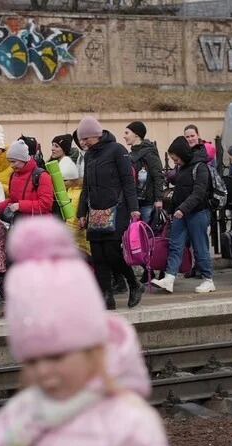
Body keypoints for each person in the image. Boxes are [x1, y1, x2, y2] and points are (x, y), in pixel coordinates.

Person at [0, 216, 177, 446]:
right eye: (33, 361)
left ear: (90, 349)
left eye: (58, 356)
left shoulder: (127, 424)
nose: (45, 370)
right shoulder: (15, 421)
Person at [76, 117, 143, 311]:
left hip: (117, 208)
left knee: (112, 252)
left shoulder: (117, 150)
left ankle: (133, 283)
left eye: (85, 138)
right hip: (95, 212)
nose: (83, 142)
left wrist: (134, 208)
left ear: (95, 135)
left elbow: (128, 182)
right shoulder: (89, 156)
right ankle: (106, 296)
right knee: (98, 256)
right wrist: (82, 212)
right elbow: (86, 186)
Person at [152, 136, 215, 294]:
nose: (175, 162)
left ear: (183, 154)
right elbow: (179, 192)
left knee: (200, 247)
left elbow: (199, 193)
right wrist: (174, 211)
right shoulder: (182, 168)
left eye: (176, 158)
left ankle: (208, 280)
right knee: (175, 245)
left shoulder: (200, 167)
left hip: (198, 213)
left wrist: (182, 209)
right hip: (181, 214)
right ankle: (169, 277)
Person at [0, 140, 54, 220]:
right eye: (9, 162)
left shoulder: (42, 176)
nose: (11, 165)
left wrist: (20, 206)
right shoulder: (14, 175)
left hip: (40, 225)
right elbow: (13, 200)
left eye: (13, 162)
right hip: (21, 224)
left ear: (23, 159)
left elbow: (46, 204)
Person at [124, 121, 164, 224]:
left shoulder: (149, 152)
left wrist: (158, 199)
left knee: (147, 234)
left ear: (136, 134)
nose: (124, 136)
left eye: (127, 133)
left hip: (147, 203)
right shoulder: (131, 154)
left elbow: (158, 176)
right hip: (134, 202)